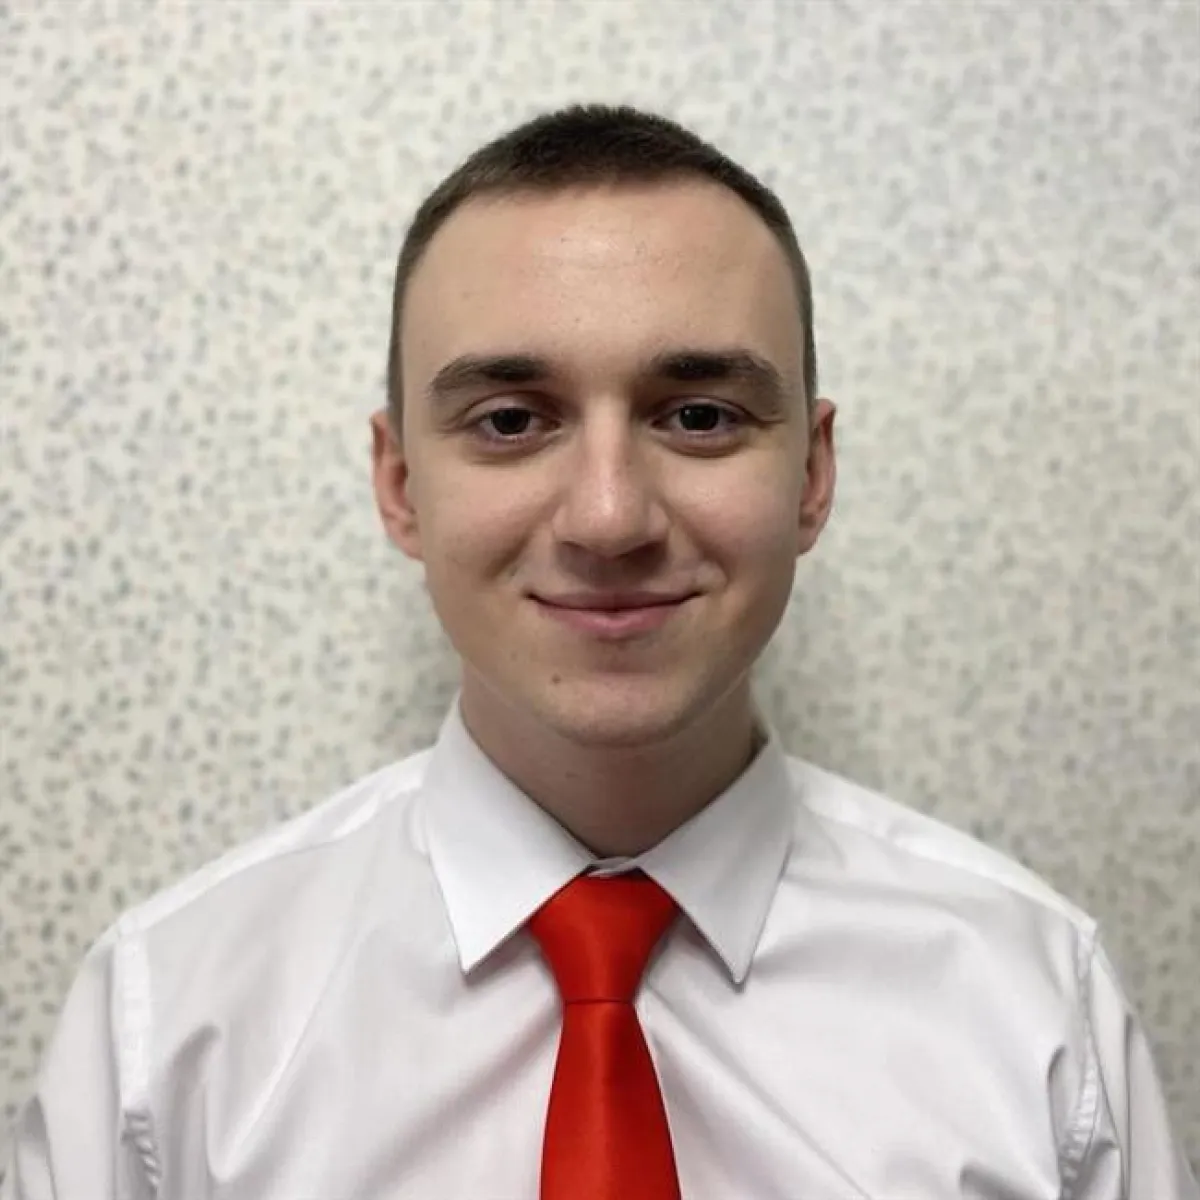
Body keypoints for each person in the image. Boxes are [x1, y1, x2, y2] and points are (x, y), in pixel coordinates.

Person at [3, 103, 1195, 1200]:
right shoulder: (169, 1030)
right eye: (511, 421)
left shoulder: (1037, 1008)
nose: (610, 517)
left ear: (812, 476)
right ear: (401, 484)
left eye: (700, 416)